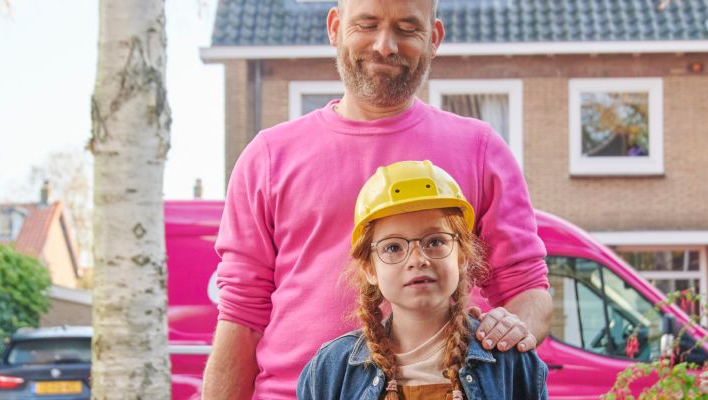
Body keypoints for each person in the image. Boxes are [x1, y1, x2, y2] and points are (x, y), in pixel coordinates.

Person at [202, 0, 553, 397]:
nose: (385, 45)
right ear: (335, 27)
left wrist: (509, 328)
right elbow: (241, 316)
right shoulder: (268, 157)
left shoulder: (481, 149)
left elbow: (529, 291)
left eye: (407, 29)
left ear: (434, 38)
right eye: (366, 24)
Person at [297, 161, 547, 399]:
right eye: (393, 247)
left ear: (462, 257)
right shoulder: (330, 370)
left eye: (435, 242)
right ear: (370, 269)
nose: (417, 259)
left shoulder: (510, 362)